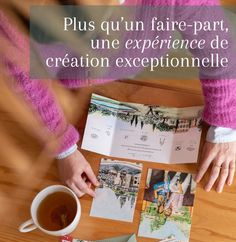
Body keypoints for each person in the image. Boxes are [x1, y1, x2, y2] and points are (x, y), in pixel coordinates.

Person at [0, 0, 236, 198]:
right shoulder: (13, 14)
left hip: (133, 70)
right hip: (65, 86)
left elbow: (217, 46)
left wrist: (224, 123)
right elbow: (22, 76)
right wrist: (62, 145)